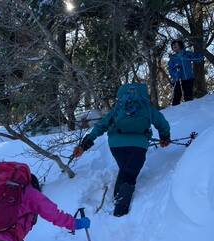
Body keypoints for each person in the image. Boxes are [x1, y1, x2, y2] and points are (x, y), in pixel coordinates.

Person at [73, 83, 171, 217]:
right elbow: (162, 123)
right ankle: (120, 209)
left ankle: (117, 196)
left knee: (125, 168)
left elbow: (101, 126)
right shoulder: (147, 108)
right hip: (139, 144)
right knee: (130, 173)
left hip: (116, 144)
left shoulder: (118, 109)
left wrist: (84, 145)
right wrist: (165, 137)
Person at [168, 39, 204, 106]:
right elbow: (170, 70)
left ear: (180, 45)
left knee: (188, 95)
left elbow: (198, 58)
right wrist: (175, 73)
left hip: (188, 78)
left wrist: (198, 55)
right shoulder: (173, 58)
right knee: (177, 96)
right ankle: (174, 112)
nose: (174, 46)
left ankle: (189, 110)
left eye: (175, 45)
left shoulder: (187, 54)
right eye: (172, 46)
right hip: (178, 80)